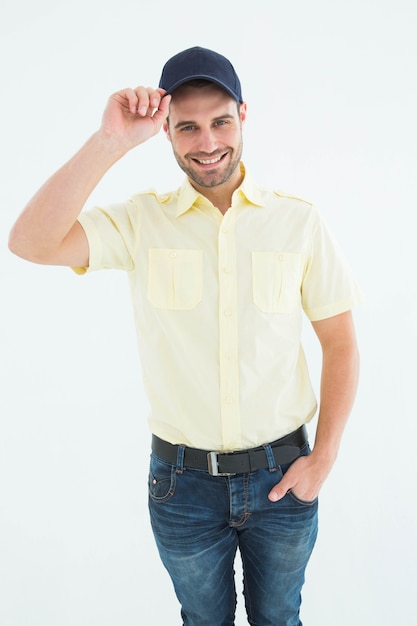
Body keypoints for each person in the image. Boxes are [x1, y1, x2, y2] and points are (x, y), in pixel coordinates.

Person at [9, 46, 362, 626]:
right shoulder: (140, 221)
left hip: (284, 477)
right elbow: (30, 242)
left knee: (281, 620)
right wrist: (110, 141)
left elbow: (341, 343)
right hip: (182, 487)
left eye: (220, 121)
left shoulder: (298, 221)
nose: (207, 142)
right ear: (166, 132)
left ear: (243, 115)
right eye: (188, 127)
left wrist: (324, 456)